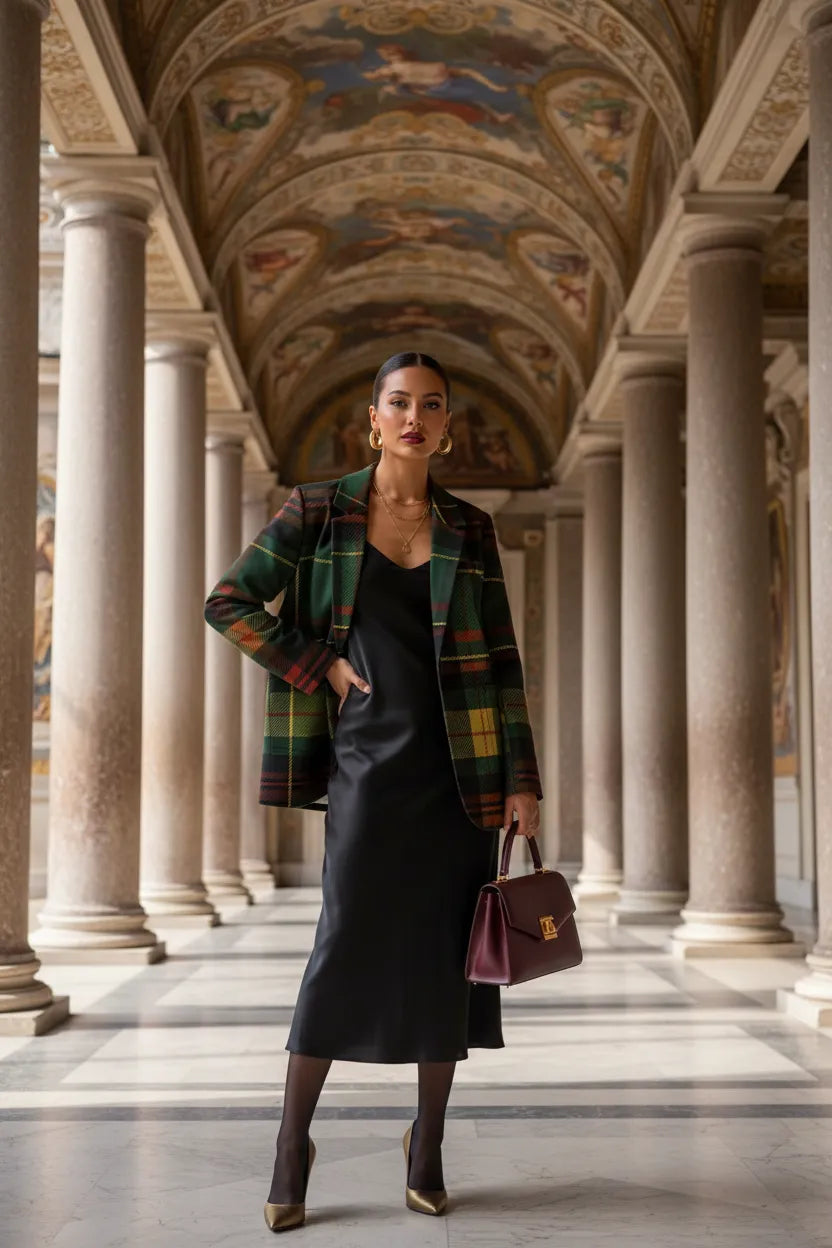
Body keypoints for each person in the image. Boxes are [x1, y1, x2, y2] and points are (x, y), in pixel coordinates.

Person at [204, 350, 543, 1231]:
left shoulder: (469, 528)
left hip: (461, 773)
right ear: (373, 419)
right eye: (399, 403)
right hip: (363, 763)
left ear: (448, 426)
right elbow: (230, 602)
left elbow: (504, 664)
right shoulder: (319, 511)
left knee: (446, 958)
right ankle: (291, 1144)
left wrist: (522, 780)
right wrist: (318, 666)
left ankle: (426, 1142)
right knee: (342, 940)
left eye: (431, 405)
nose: (414, 418)